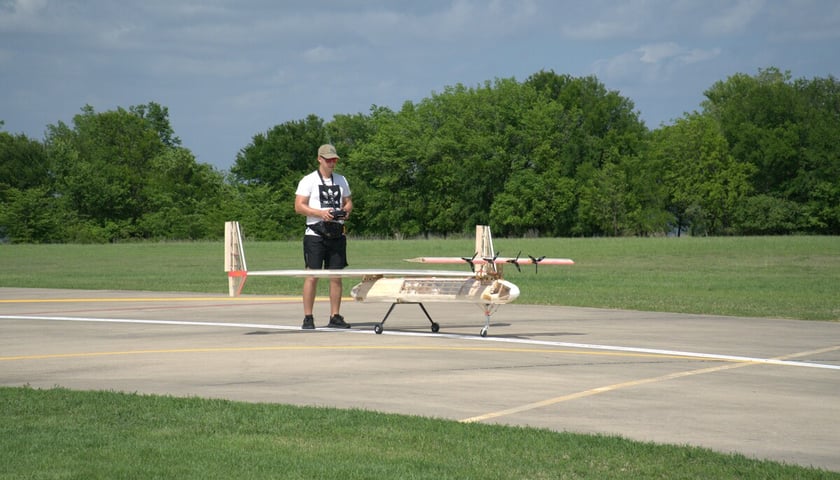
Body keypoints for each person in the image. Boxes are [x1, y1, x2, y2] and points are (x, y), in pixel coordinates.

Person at [294, 144, 353, 330]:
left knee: (336, 275)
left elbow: (348, 201)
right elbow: (299, 206)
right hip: (315, 234)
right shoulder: (308, 180)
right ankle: (308, 317)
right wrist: (320, 213)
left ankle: (335, 316)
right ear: (319, 159)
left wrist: (345, 211)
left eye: (334, 160)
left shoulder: (341, 180)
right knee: (312, 275)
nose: (331, 163)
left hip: (336, 232)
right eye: (328, 159)